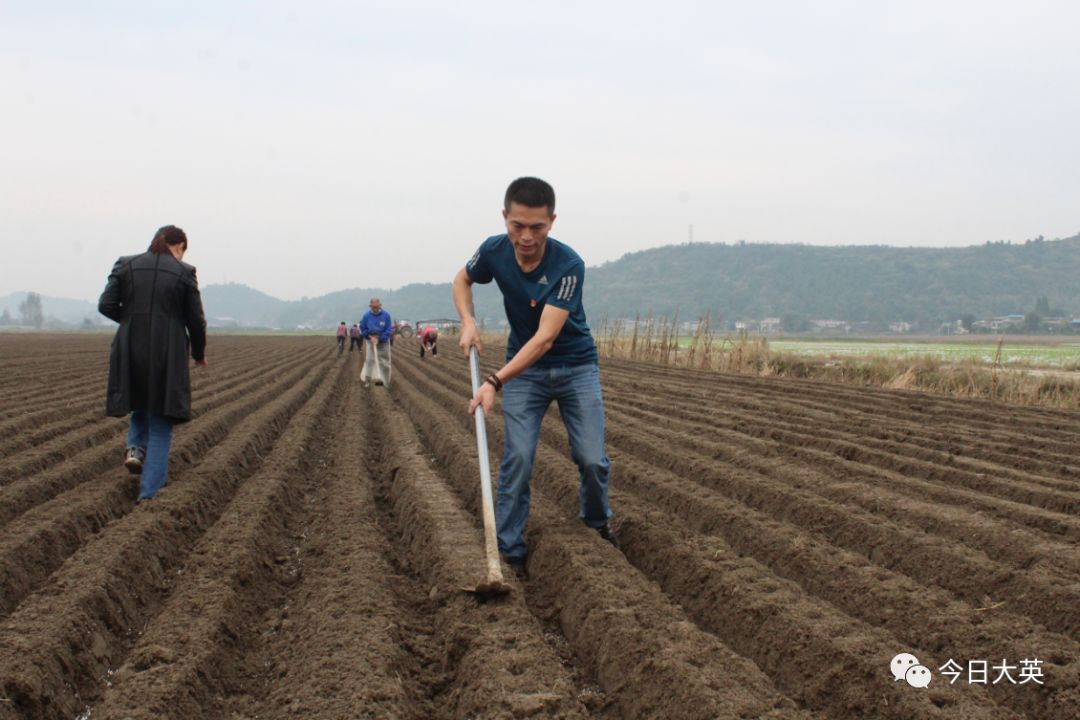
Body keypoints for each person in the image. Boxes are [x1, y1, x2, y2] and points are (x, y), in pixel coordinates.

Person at [452, 176, 616, 581]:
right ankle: (509, 550)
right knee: (519, 458)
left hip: (574, 366)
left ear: (552, 222)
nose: (526, 237)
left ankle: (596, 525)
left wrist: (493, 381)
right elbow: (462, 280)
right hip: (526, 372)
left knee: (592, 459)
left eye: (537, 227)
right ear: (505, 218)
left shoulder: (568, 265)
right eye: (517, 226)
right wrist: (468, 321)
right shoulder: (493, 250)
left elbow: (544, 339)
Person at [98, 224, 207, 501]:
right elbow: (196, 320)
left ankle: (134, 449)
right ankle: (149, 495)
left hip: (129, 348)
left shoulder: (126, 265)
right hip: (167, 351)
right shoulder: (184, 272)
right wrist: (198, 354)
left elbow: (106, 305)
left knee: (139, 400)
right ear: (179, 246)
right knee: (161, 419)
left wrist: (132, 321)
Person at [360, 297, 393, 387]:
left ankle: (385, 381)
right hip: (370, 339)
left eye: (376, 307)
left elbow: (388, 330)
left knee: (384, 361)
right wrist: (370, 337)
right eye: (373, 307)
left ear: (380, 305)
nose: (375, 309)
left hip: (383, 341)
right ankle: (367, 380)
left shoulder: (386, 315)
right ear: (370, 306)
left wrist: (380, 339)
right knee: (369, 360)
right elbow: (363, 329)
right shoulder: (366, 316)